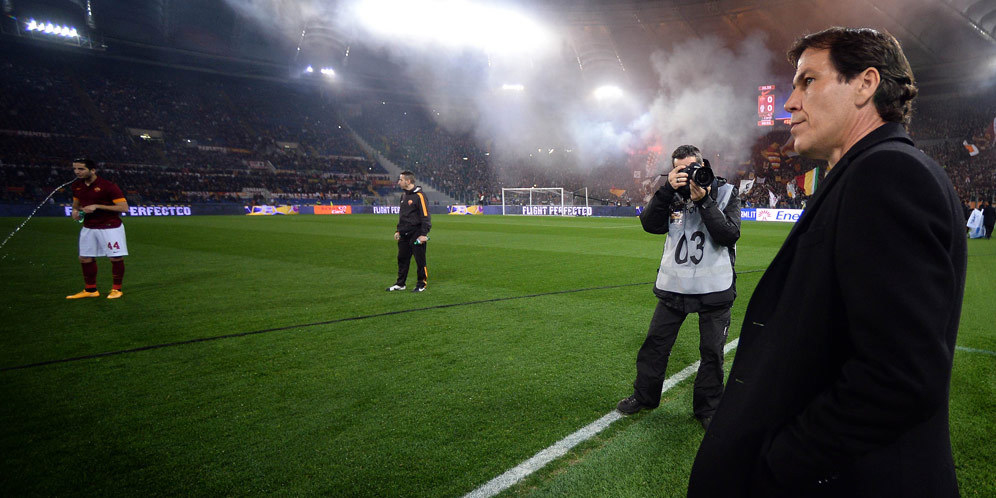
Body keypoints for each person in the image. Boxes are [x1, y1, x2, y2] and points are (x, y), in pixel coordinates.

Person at [688, 27, 966, 497]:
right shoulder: (869, 172)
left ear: (865, 84)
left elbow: (899, 377)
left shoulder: (888, 174)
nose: (789, 103)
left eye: (808, 81)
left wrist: (781, 463)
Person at [616, 145, 740, 431]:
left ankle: (708, 408)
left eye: (691, 167)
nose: (687, 174)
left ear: (703, 164)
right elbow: (649, 225)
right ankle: (644, 396)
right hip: (675, 286)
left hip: (714, 287)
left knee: (712, 352)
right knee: (655, 345)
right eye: (680, 169)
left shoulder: (725, 192)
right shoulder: (670, 195)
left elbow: (729, 234)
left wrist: (705, 202)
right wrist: (664, 190)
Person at [66, 158, 130, 300]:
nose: (77, 172)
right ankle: (90, 289)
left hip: (110, 226)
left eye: (81, 169)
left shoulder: (108, 186)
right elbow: (76, 204)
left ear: (92, 170)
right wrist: (75, 211)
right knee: (84, 258)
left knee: (115, 257)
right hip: (89, 226)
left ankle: (116, 289)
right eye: (75, 169)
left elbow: (124, 207)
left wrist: (97, 206)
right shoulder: (77, 186)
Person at [387, 170, 431, 293]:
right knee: (402, 258)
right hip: (404, 233)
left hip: (417, 233)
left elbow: (426, 216)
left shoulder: (420, 196)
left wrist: (423, 234)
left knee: (419, 259)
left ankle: (421, 283)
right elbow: (403, 215)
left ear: (408, 181)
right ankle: (401, 283)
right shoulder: (404, 195)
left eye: (401, 180)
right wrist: (398, 230)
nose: (399, 182)